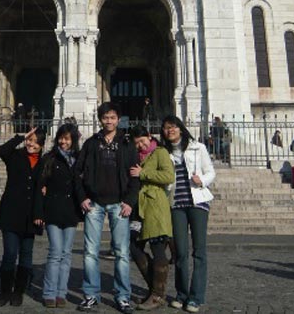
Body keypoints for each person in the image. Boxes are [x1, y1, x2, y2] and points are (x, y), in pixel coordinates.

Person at [74, 101, 139, 314]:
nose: (109, 121)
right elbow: (77, 172)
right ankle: (91, 295)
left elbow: (135, 175)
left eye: (112, 117)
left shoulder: (127, 143)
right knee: (90, 252)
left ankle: (123, 297)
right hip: (94, 204)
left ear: (118, 119)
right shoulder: (91, 143)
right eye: (105, 117)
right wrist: (83, 197)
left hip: (119, 204)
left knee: (121, 253)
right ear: (100, 119)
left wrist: (129, 201)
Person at [161, 115, 216, 314]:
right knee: (180, 252)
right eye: (167, 128)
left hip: (198, 203)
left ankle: (196, 297)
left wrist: (201, 180)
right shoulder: (163, 152)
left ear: (181, 128)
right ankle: (181, 294)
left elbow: (211, 172)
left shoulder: (197, 147)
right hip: (176, 205)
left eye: (173, 126)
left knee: (199, 252)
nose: (170, 130)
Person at [0, 127, 46, 307]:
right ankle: (5, 291)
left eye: (36, 142)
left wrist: (40, 213)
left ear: (41, 145)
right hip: (11, 212)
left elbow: (42, 188)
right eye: (30, 141)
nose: (32, 145)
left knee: (26, 256)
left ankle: (19, 292)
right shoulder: (15, 156)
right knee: (9, 254)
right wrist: (21, 137)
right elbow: (2, 150)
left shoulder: (44, 162)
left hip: (31, 215)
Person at [34, 123, 82, 308]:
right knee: (55, 253)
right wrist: (38, 212)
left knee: (67, 254)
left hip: (70, 212)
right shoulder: (49, 158)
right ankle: (49, 293)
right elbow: (40, 186)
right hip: (53, 211)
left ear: (73, 140)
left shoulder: (78, 159)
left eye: (67, 138)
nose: (64, 141)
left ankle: (61, 293)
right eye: (61, 138)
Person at [128, 125, 175, 310]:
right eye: (136, 143)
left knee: (158, 249)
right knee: (134, 247)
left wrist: (143, 173)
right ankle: (154, 289)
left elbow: (168, 176)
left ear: (149, 136)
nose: (140, 145)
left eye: (142, 141)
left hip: (155, 206)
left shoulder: (160, 152)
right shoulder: (136, 156)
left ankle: (157, 295)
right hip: (139, 208)